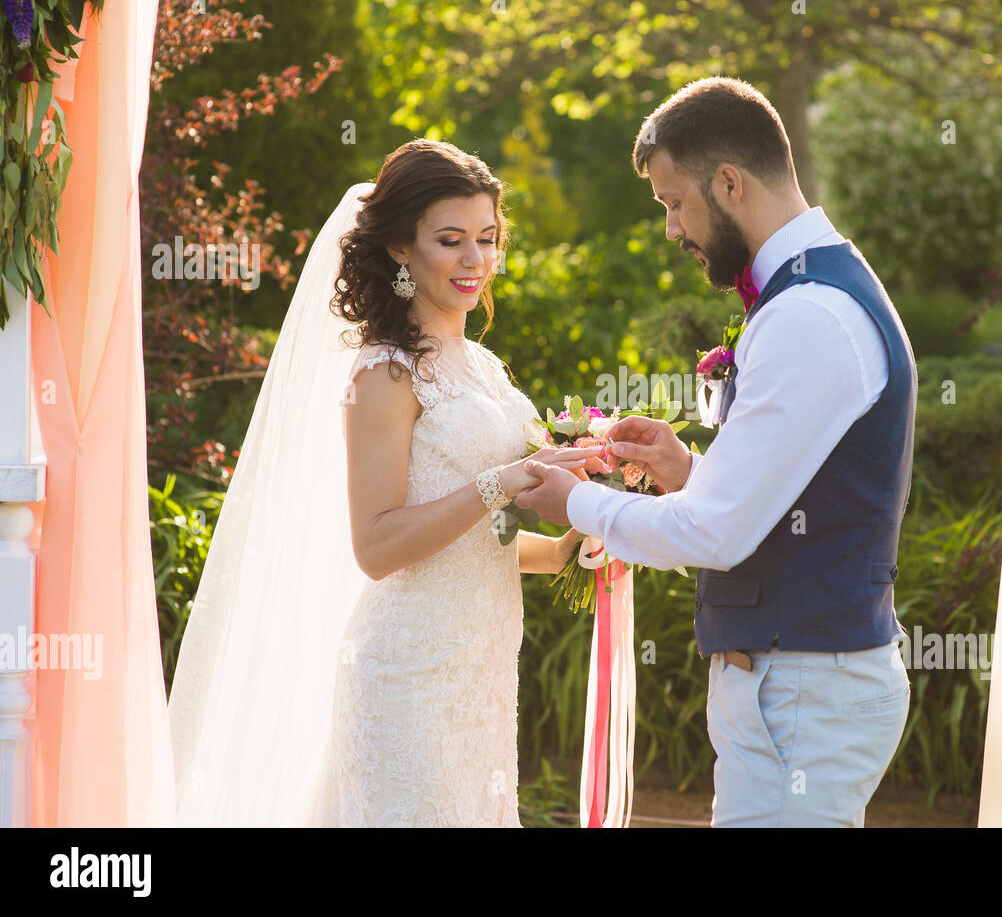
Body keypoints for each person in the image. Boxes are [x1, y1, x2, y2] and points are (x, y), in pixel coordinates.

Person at [517, 77, 918, 827]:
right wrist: (685, 470)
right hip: (793, 690)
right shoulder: (806, 294)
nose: (671, 228)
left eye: (675, 202)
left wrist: (572, 501)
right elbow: (771, 501)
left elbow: (719, 534)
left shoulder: (808, 314)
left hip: (805, 694)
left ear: (729, 182)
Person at [168, 139, 596, 826]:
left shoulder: (484, 368)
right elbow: (376, 546)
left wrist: (573, 546)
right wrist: (501, 482)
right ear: (401, 246)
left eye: (487, 239)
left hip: (481, 680)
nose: (475, 260)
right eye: (451, 240)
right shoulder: (385, 375)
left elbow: (480, 544)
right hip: (407, 680)